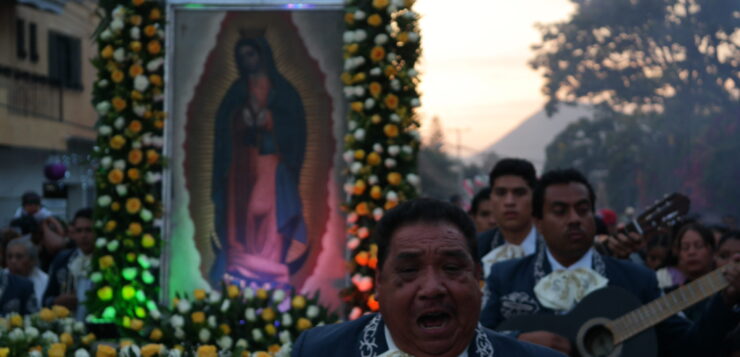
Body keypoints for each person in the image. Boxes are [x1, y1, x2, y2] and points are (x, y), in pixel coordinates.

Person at [480, 168, 740, 356]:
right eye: (560, 211)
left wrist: (725, 301)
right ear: (539, 222)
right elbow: (475, 340)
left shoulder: (637, 280)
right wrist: (518, 340)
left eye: (583, 210)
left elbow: (689, 346)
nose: (574, 219)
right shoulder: (506, 276)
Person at [291, 198, 564, 357]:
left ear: (477, 278)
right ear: (379, 283)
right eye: (409, 271)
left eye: (452, 268)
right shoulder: (319, 351)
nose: (432, 289)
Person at [210, 36, 308, 287]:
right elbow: (222, 129)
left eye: (251, 55)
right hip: (240, 166)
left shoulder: (282, 91)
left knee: (264, 212)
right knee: (241, 216)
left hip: (269, 163)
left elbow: (294, 128)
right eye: (242, 57)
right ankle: (239, 272)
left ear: (263, 55)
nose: (247, 61)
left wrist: (271, 119)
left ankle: (270, 269)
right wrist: (238, 119)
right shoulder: (236, 92)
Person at [476, 158, 542, 278]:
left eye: (519, 193)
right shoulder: (475, 249)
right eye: (501, 193)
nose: (509, 202)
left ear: (535, 197)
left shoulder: (555, 247)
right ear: (491, 198)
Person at [42, 208, 94, 320]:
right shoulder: (62, 260)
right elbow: (45, 300)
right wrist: (57, 301)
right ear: (73, 234)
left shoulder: (106, 261)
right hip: (68, 328)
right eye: (79, 231)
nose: (83, 236)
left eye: (88, 230)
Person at [5, 235, 47, 307]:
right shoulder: (2, 278)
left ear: (32, 260)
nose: (13, 261)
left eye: (19, 257)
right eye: (9, 256)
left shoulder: (45, 281)